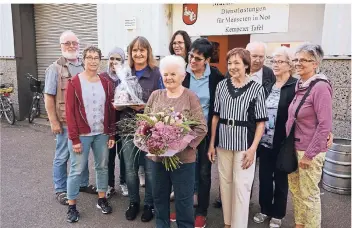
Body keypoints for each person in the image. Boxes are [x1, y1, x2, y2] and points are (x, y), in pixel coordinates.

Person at [208, 48, 268, 228]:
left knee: (241, 187)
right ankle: (228, 223)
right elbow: (215, 116)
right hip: (223, 143)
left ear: (246, 65)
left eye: (237, 63)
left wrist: (253, 150)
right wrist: (212, 144)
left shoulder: (257, 88)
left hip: (245, 145)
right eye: (230, 63)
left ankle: (238, 225)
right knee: (225, 185)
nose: (232, 67)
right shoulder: (221, 86)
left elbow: (261, 123)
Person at [146, 55, 207, 228]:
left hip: (184, 161)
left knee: (184, 202)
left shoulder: (190, 97)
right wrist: (151, 140)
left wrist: (179, 144)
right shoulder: (155, 96)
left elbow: (201, 128)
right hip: (158, 160)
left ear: (182, 76)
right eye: (165, 74)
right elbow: (144, 125)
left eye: (173, 74)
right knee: (159, 199)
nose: (169, 78)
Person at [170, 38, 223, 228]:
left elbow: (218, 109)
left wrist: (213, 142)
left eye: (198, 58)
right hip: (183, 132)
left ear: (207, 60)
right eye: (191, 56)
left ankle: (201, 212)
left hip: (205, 133)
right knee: (184, 172)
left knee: (203, 173)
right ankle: (183, 208)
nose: (192, 61)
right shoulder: (184, 74)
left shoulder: (216, 77)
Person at [44, 30, 96, 206]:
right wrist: (53, 121)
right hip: (65, 121)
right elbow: (49, 96)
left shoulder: (83, 65)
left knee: (82, 153)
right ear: (61, 46)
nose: (71, 46)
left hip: (84, 121)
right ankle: (60, 189)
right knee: (62, 156)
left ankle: (82, 184)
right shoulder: (54, 68)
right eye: (67, 43)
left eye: (74, 43)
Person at [65, 46, 116, 223]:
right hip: (82, 135)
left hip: (101, 133)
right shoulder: (74, 82)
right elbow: (69, 113)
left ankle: (101, 198)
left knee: (102, 166)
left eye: (96, 57)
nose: (93, 61)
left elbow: (110, 110)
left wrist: (111, 134)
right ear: (83, 59)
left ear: (100, 60)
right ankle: (72, 205)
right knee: (76, 169)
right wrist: (74, 139)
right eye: (89, 57)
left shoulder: (106, 83)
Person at [117, 36, 163, 222]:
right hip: (128, 126)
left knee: (151, 169)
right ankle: (134, 202)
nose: (138, 53)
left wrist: (144, 107)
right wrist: (120, 105)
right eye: (134, 50)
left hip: (150, 128)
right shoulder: (124, 73)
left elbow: (162, 101)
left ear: (148, 52)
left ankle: (150, 205)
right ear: (130, 53)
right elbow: (118, 98)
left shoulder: (157, 73)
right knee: (130, 168)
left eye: (142, 50)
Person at [286, 43, 332, 228]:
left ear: (315, 63)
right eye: (296, 59)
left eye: (303, 60)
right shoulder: (300, 85)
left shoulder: (320, 87)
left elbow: (324, 124)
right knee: (297, 192)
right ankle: (300, 224)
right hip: (294, 148)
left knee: (310, 196)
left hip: (308, 151)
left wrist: (309, 154)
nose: (298, 63)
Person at [253, 47, 298, 228]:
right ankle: (265, 209)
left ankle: (278, 213)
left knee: (280, 179)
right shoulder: (268, 85)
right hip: (264, 141)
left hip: (283, 141)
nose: (276, 65)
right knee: (264, 177)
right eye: (274, 61)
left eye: (280, 61)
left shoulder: (295, 86)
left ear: (289, 65)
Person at [100, 47, 129, 198]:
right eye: (112, 58)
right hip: (107, 123)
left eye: (118, 59)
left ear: (123, 61)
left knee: (124, 155)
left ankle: (124, 182)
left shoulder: (125, 78)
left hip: (123, 121)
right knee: (109, 156)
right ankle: (110, 184)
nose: (114, 62)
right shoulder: (102, 77)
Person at [168, 30, 192, 202]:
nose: (177, 45)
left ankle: (188, 193)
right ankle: (174, 190)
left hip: (188, 117)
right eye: (175, 42)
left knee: (187, 160)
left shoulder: (190, 66)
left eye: (180, 43)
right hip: (169, 118)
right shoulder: (168, 63)